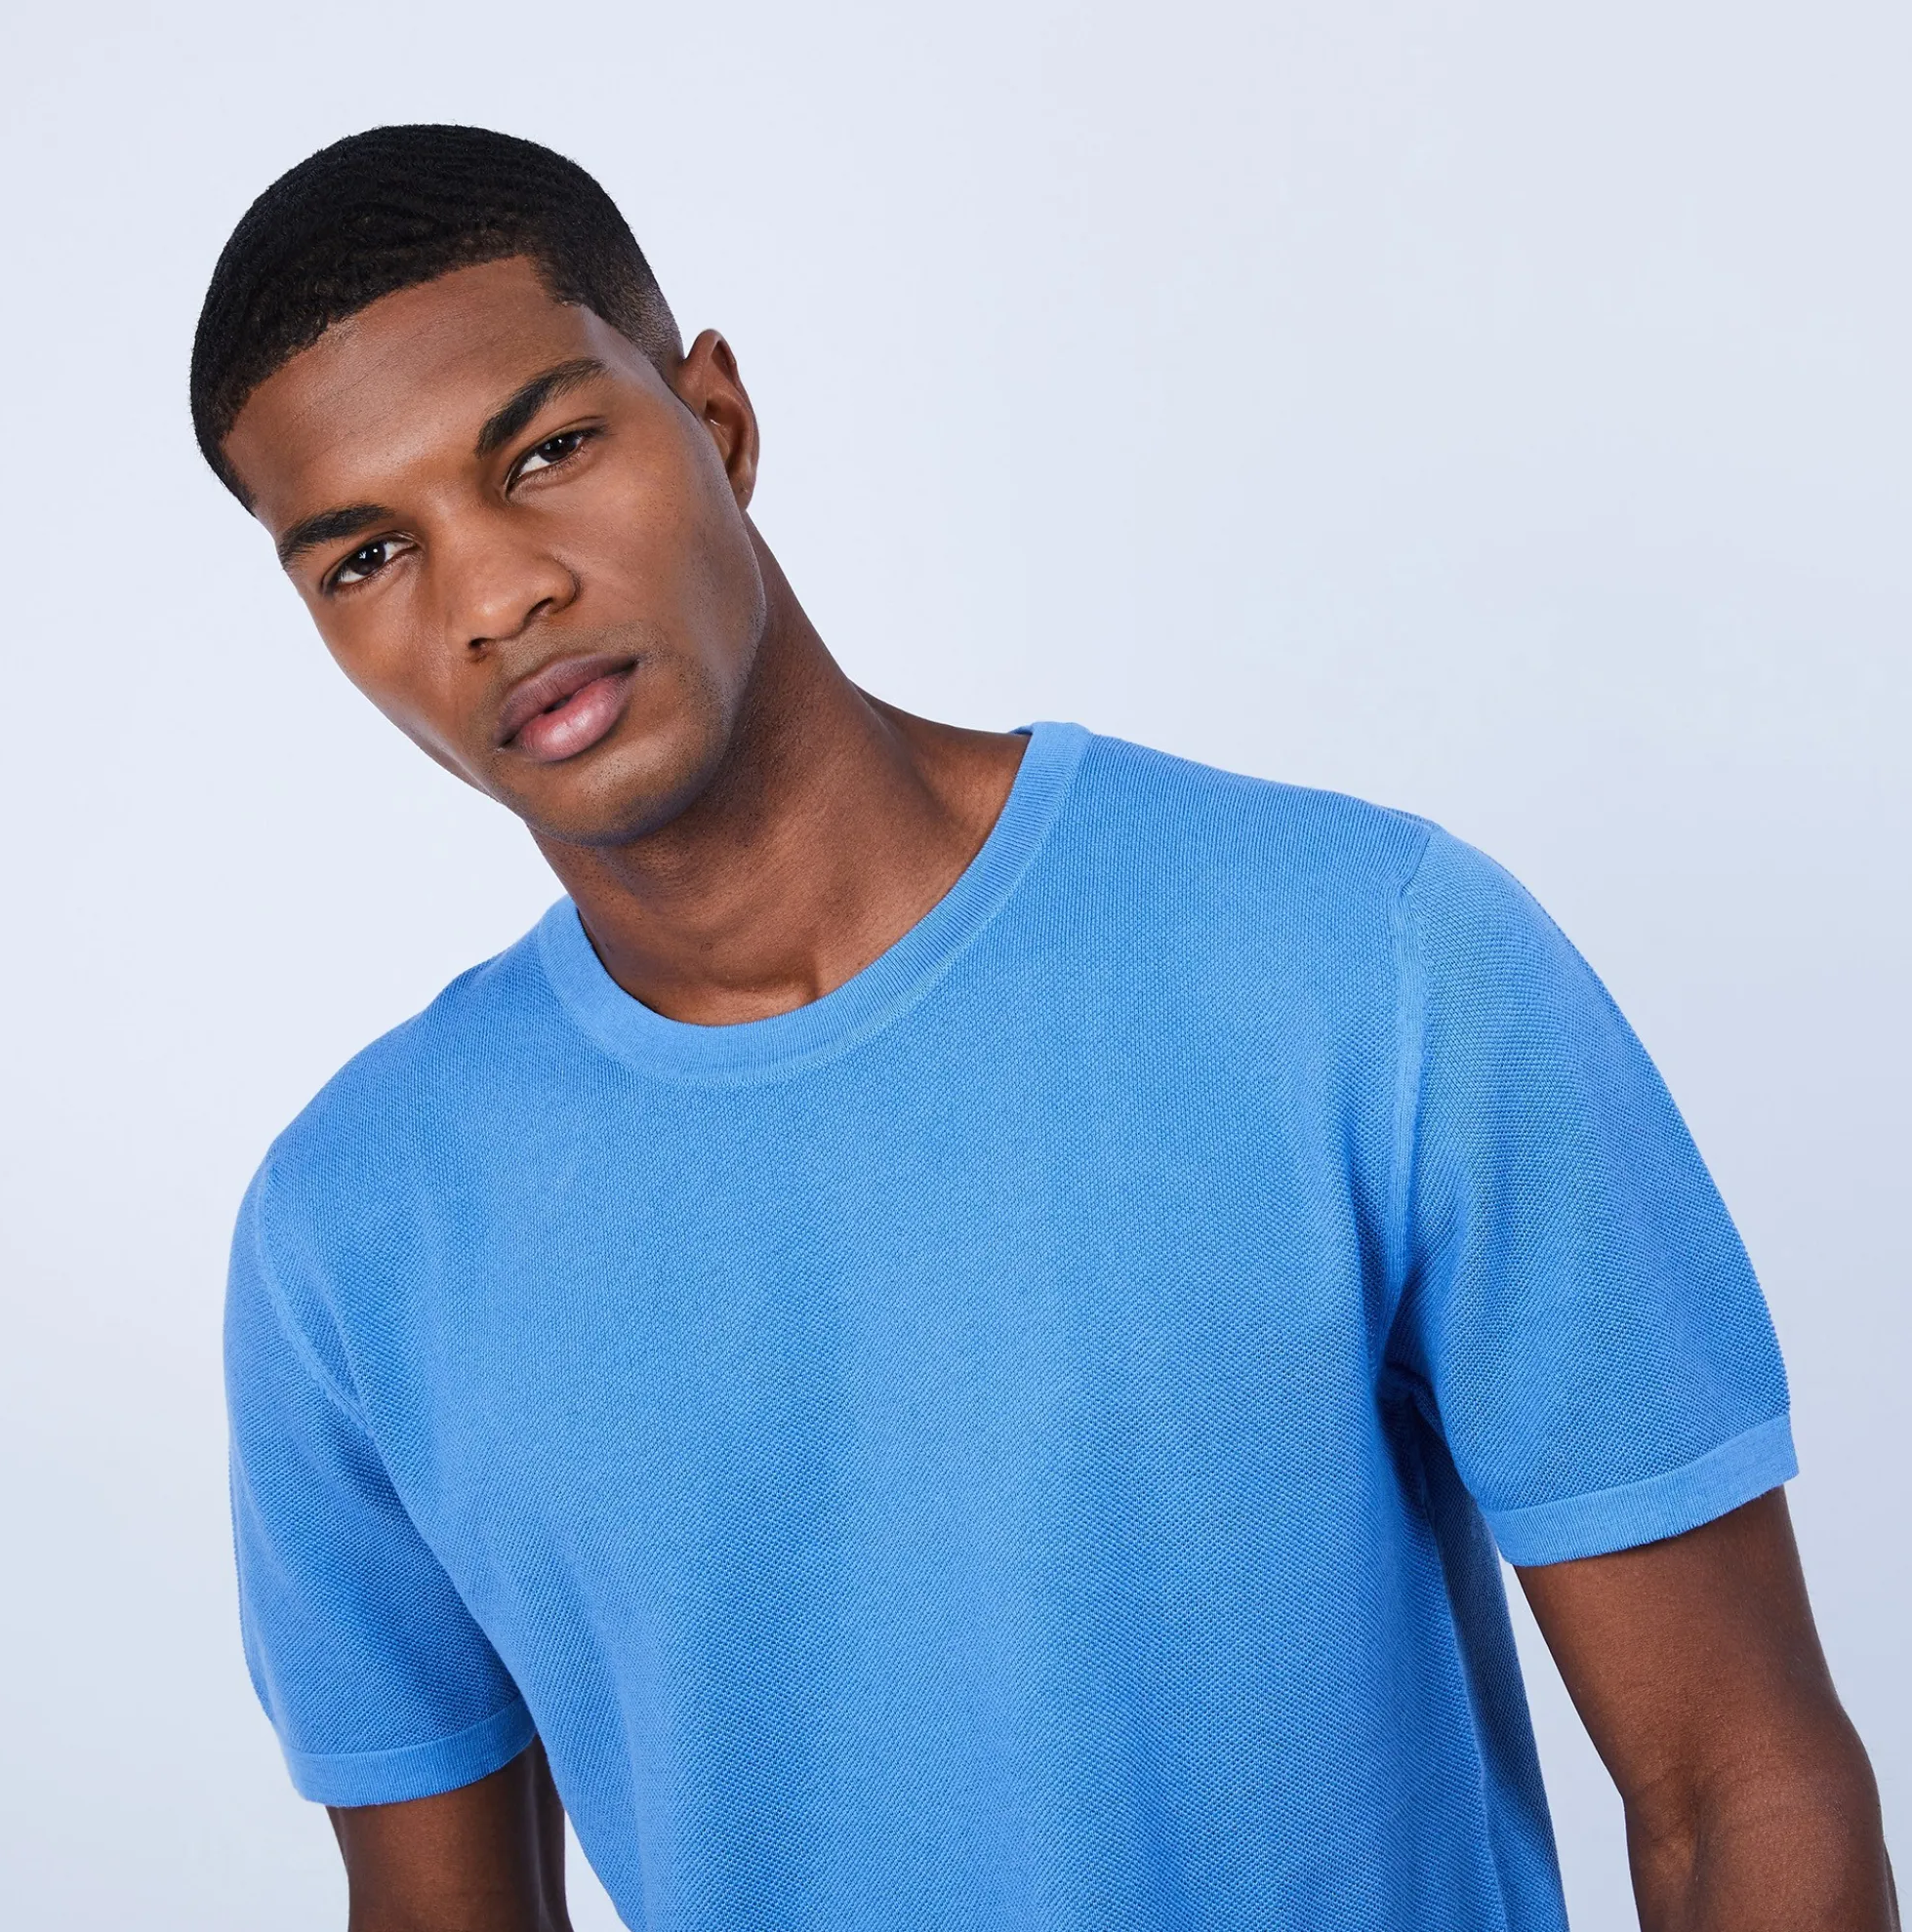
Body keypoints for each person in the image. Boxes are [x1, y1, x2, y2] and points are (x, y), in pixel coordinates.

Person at [197, 124, 1894, 1932]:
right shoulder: (349, 1241)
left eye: (547, 452)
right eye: (365, 557)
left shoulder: (1369, 961)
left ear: (720, 420)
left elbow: (1738, 1785)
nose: (493, 597)